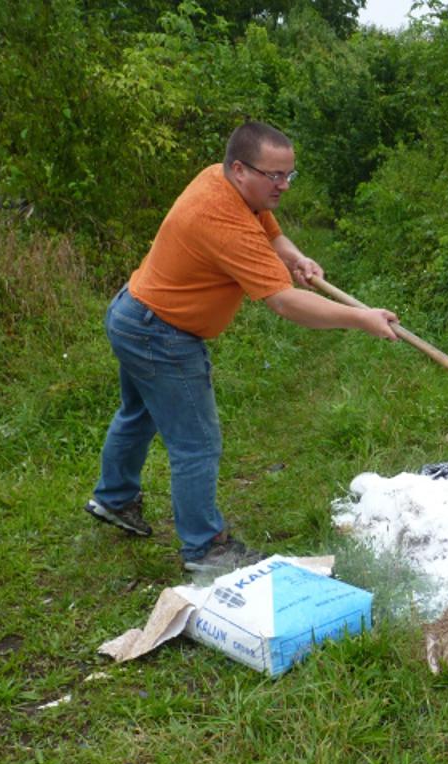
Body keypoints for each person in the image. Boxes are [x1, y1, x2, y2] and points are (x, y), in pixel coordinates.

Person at [85, 121, 398, 572]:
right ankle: (205, 548)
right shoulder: (222, 220)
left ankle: (114, 499)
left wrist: (292, 256)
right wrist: (361, 318)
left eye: (289, 174)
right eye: (274, 176)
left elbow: (269, 230)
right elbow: (286, 303)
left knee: (139, 414)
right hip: (161, 334)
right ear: (239, 169)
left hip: (134, 313)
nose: (284, 185)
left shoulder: (226, 183)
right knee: (197, 443)